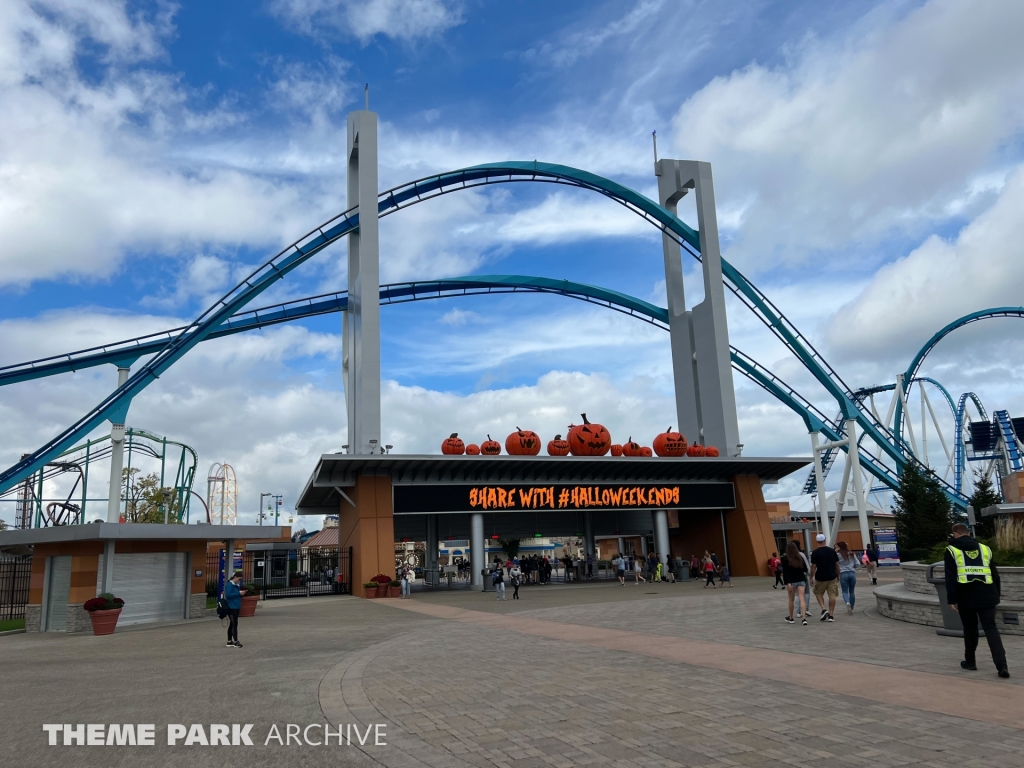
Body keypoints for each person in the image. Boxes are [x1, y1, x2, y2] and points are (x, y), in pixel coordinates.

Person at [944, 523, 1009, 678]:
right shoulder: (985, 549)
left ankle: (970, 662)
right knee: (991, 629)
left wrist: (951, 600)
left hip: (965, 596)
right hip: (988, 595)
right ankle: (1002, 667)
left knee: (970, 629)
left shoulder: (951, 550)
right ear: (968, 533)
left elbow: (950, 578)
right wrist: (996, 595)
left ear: (955, 534)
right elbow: (995, 575)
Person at [810, 533, 840, 621]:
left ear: (817, 541)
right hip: (832, 576)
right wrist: (838, 574)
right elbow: (837, 565)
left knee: (818, 594)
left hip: (820, 577)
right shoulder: (832, 551)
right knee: (832, 595)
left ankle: (823, 609)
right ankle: (831, 615)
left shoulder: (815, 552)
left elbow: (813, 566)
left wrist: (811, 577)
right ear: (825, 540)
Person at [782, 541, 809, 625]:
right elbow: (805, 569)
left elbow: (785, 572)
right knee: (802, 599)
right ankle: (804, 618)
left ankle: (791, 617)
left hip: (791, 581)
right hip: (801, 579)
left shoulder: (785, 558)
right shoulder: (800, 557)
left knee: (791, 599)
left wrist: (787, 582)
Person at [222, 571, 245, 648]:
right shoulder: (230, 585)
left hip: (236, 606)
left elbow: (236, 594)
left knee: (232, 624)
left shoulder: (236, 585)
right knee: (234, 623)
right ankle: (236, 641)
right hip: (231, 607)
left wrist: (240, 594)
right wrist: (238, 593)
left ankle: (229, 641)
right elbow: (228, 595)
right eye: (239, 579)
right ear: (235, 577)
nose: (239, 581)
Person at [836, 541, 859, 614]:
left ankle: (847, 602)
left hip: (843, 573)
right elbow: (858, 564)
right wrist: (853, 566)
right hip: (852, 573)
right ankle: (852, 608)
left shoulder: (838, 555)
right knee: (852, 591)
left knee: (845, 591)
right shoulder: (852, 554)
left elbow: (835, 564)